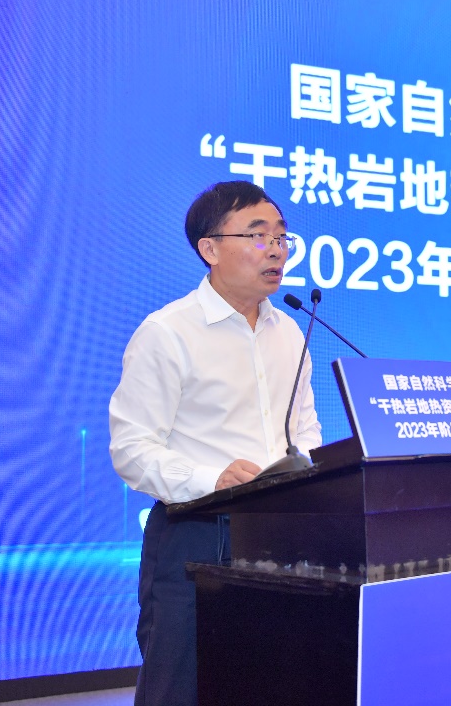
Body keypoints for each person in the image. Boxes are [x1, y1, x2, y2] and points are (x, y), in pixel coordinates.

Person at [109, 180, 322, 706]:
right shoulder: (168, 332)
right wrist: (213, 479)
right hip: (196, 537)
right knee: (182, 691)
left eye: (282, 237)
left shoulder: (290, 332)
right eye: (257, 235)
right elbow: (132, 449)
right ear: (210, 248)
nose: (276, 249)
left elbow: (305, 432)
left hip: (280, 539)